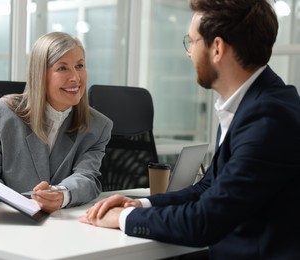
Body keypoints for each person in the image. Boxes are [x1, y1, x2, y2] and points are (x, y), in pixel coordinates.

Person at [79, 0, 300, 259]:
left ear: (217, 48)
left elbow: (204, 221)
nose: (189, 53)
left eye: (192, 42)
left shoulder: (268, 118)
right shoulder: (250, 105)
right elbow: (207, 188)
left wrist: (125, 217)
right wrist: (140, 203)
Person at [0, 32, 113, 213]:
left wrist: (60, 194)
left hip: (62, 226)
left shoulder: (98, 126)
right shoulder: (4, 113)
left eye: (79, 66)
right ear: (40, 74)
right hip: (6, 224)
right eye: (62, 68)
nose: (75, 78)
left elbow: (87, 178)